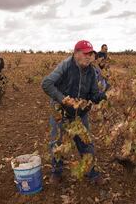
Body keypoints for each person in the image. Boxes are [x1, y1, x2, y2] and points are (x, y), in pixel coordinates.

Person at [41, 40, 107, 185]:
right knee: (57, 143)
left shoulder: (92, 71)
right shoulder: (66, 65)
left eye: (91, 54)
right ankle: (57, 172)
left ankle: (92, 173)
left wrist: (100, 96)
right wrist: (62, 99)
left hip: (80, 113)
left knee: (86, 142)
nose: (89, 57)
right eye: (85, 53)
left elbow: (93, 94)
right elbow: (46, 83)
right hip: (61, 111)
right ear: (76, 53)